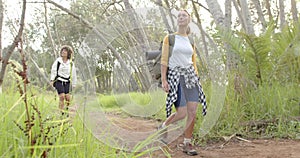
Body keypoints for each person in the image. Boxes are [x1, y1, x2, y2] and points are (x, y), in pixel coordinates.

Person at [158, 10, 207, 156]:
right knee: (182, 112)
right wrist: (164, 79)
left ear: (189, 20)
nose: (180, 17)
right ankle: (163, 126)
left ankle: (187, 143)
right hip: (176, 76)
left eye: (184, 15)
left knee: (192, 111)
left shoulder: (191, 40)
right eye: (178, 16)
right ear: (177, 20)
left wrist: (196, 78)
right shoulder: (170, 38)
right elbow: (164, 60)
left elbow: (193, 62)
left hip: (191, 77)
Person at [50, 45, 77, 116]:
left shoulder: (71, 63)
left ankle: (66, 110)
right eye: (62, 51)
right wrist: (52, 80)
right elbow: (53, 70)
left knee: (68, 98)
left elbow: (73, 74)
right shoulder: (58, 61)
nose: (63, 52)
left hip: (67, 81)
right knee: (62, 96)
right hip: (59, 80)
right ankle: (61, 113)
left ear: (68, 53)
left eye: (65, 51)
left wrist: (74, 84)